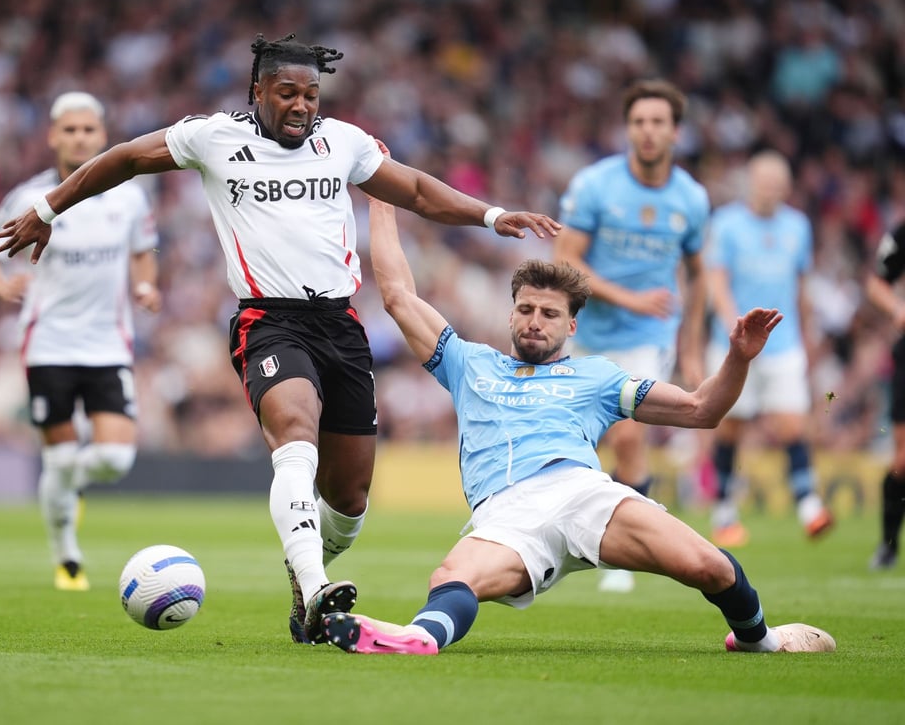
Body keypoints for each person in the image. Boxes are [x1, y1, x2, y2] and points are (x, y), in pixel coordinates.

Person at [0, 34, 560, 643]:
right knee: (294, 435)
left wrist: (492, 215)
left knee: (349, 502)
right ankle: (317, 590)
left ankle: (304, 583)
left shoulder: (342, 142)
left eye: (311, 94)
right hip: (268, 321)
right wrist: (49, 210)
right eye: (287, 93)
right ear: (257, 92)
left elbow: (417, 191)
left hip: (340, 325)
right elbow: (127, 157)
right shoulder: (214, 137)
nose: (301, 105)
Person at [318, 184, 835, 656]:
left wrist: (739, 358)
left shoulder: (599, 377)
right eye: (525, 310)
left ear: (571, 324)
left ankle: (760, 641)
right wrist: (383, 200)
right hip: (507, 512)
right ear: (511, 314)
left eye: (548, 314)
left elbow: (702, 411)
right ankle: (416, 638)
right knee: (451, 575)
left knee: (710, 567)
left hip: (583, 494)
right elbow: (399, 297)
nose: (534, 322)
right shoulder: (469, 363)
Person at [0, 91, 162, 591]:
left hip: (108, 344)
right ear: (53, 136)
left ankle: (62, 482)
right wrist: (2, 287)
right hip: (49, 344)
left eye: (89, 130)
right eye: (70, 130)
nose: (80, 137)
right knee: (58, 456)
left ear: (103, 136)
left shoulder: (129, 196)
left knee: (113, 460)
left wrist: (145, 285)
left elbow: (144, 252)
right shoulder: (26, 199)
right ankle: (67, 557)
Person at [552, 79, 710, 592]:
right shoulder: (596, 185)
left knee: (628, 433)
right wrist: (628, 296)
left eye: (657, 122)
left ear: (675, 132)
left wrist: (690, 350)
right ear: (628, 129)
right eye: (639, 122)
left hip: (648, 334)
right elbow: (565, 258)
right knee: (569, 442)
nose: (647, 131)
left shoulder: (692, 198)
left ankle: (622, 561)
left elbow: (699, 274)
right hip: (587, 329)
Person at [705, 151, 834, 547]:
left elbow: (799, 288)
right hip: (734, 343)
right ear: (750, 184)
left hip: (784, 341)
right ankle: (725, 508)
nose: (770, 190)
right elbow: (716, 279)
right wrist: (733, 323)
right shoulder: (726, 223)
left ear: (787, 187)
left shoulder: (797, 227)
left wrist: (808, 337)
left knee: (792, 423)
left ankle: (808, 504)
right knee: (730, 427)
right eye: (764, 182)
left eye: (777, 183)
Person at [866, 220, 905, 569]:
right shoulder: (900, 234)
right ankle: (889, 544)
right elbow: (877, 282)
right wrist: (897, 309)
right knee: (903, 461)